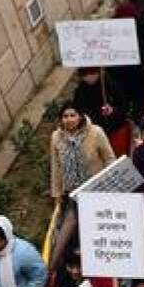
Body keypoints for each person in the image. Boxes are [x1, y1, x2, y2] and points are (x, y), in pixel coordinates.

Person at [48, 102, 116, 268]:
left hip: (96, 191)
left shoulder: (95, 132)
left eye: (73, 115)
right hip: (72, 192)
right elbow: (56, 167)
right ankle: (56, 268)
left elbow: (109, 158)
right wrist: (57, 194)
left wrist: (109, 182)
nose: (69, 119)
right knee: (68, 230)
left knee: (95, 228)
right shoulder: (56, 137)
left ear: (80, 117)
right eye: (65, 116)